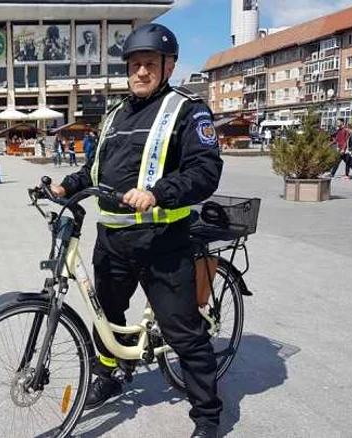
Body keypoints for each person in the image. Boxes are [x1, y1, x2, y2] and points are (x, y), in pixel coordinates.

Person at [48, 23, 223, 438]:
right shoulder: (114, 114)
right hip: (112, 240)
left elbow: (206, 170)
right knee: (105, 315)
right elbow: (94, 170)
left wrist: (159, 193)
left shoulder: (187, 109)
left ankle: (208, 416)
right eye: (134, 64)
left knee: (184, 331)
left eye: (149, 64)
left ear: (169, 66)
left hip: (162, 243)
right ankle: (109, 376)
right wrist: (66, 186)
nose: (140, 72)